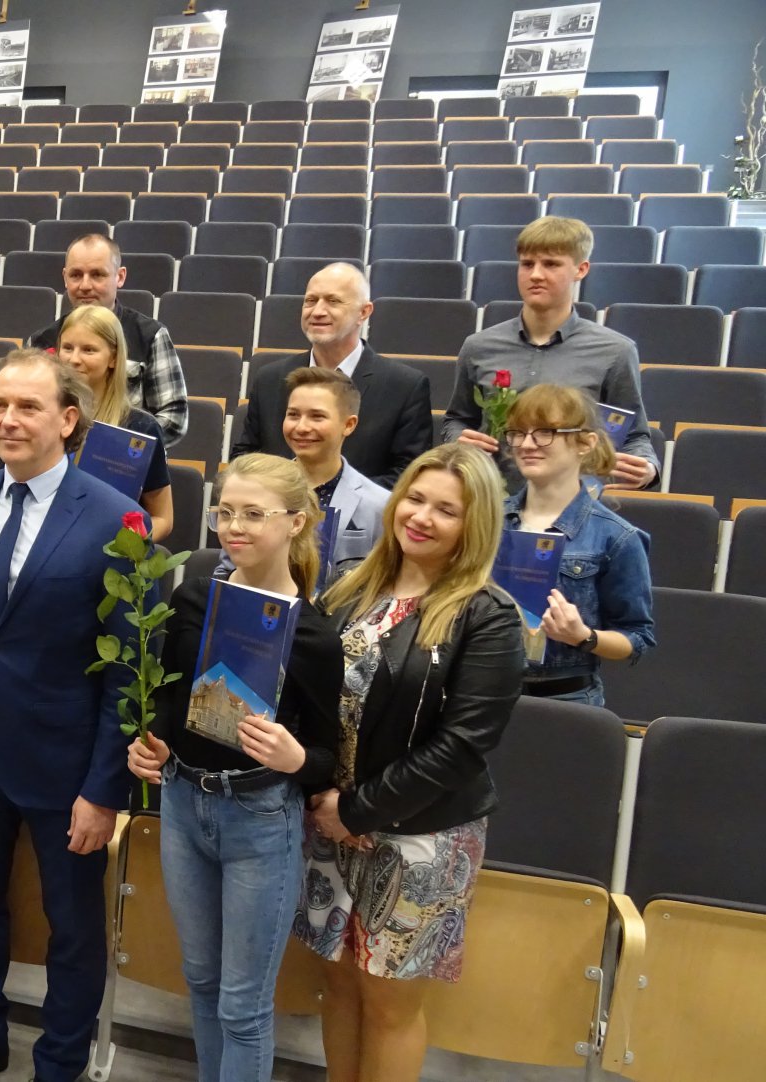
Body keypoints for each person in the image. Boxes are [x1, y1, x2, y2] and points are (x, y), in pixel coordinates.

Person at [0, 350, 143, 1082]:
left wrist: (105, 789)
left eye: (27, 407)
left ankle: (60, 1062)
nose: (7, 420)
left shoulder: (117, 517)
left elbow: (129, 668)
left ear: (68, 419)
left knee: (72, 928)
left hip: (66, 764)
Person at [300, 444, 526, 1082]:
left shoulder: (487, 615)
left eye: (446, 510)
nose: (422, 517)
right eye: (415, 499)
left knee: (390, 1004)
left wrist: (357, 811)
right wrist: (324, 798)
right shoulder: (352, 586)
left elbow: (463, 745)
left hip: (421, 836)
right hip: (330, 822)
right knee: (338, 984)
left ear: (474, 525)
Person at [127, 453, 343, 1082]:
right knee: (199, 978)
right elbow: (171, 701)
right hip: (183, 801)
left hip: (259, 816)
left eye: (253, 514)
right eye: (225, 512)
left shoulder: (314, 635)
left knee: (243, 1005)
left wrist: (296, 758)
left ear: (296, 522)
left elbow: (327, 757)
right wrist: (153, 743)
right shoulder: (196, 597)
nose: (234, 527)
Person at [444, 217, 658, 490]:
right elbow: (458, 418)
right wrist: (458, 440)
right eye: (527, 264)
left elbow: (634, 435)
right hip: (489, 500)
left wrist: (647, 467)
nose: (535, 275)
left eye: (551, 264)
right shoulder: (479, 347)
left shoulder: (615, 351)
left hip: (570, 503)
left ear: (581, 269)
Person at [502, 383, 656, 707]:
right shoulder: (487, 519)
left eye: (545, 432)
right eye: (517, 433)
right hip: (483, 691)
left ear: (585, 443)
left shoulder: (617, 536)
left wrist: (584, 636)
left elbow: (637, 637)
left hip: (566, 699)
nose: (526, 444)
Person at [233, 263, 433, 488]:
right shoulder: (269, 378)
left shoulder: (404, 386)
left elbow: (408, 475)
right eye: (311, 300)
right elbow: (245, 457)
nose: (317, 311)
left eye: (333, 301)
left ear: (364, 312)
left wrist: (324, 497)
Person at [27, 235, 188, 445]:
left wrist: (117, 445)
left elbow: (174, 417)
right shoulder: (42, 341)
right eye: (76, 275)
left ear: (119, 277)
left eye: (97, 275)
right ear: (65, 278)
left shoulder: (150, 335)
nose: (85, 285)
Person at [56, 305, 178, 542]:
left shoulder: (140, 427)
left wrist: (121, 546)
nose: (74, 359)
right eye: (67, 348)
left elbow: (163, 518)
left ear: (113, 358)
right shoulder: (45, 417)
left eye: (89, 350)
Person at [284, 366, 390, 566]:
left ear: (349, 425)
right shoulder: (259, 490)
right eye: (293, 415)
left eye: (317, 416)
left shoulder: (380, 504)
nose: (301, 427)